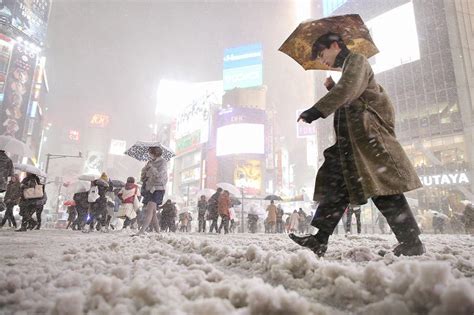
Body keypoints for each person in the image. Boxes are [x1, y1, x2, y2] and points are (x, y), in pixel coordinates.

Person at [291, 32, 424, 257]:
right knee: (335, 185)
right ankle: (319, 239)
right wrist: (334, 89)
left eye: (322, 54)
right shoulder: (348, 68)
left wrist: (315, 111)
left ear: (334, 45)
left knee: (385, 190)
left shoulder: (356, 61)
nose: (322, 60)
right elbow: (350, 94)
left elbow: (349, 92)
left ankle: (411, 241)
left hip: (366, 140)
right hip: (351, 143)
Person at [135, 147, 167, 236]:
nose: (149, 154)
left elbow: (160, 176)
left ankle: (142, 231)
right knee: (152, 212)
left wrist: (152, 168)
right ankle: (158, 232)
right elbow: (143, 177)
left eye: (150, 153)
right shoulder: (150, 162)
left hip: (158, 189)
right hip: (149, 188)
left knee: (149, 210)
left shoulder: (163, 162)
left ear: (155, 153)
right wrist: (145, 170)